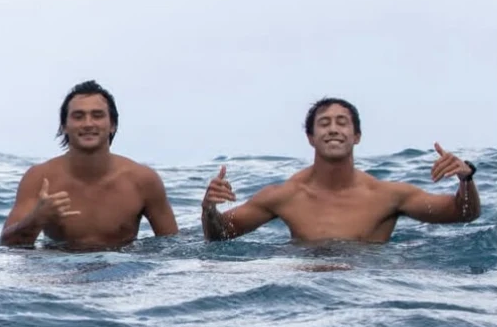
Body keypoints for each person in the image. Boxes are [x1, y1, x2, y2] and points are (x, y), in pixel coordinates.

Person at [201, 97, 481, 243]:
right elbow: (221, 234)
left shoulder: (388, 196)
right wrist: (210, 210)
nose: (333, 129)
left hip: (372, 289)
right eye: (324, 123)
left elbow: (463, 213)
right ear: (310, 137)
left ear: (356, 136)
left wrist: (466, 178)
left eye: (341, 122)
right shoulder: (284, 196)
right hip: (303, 294)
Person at [0, 79, 178, 250]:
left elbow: (173, 246)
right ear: (64, 126)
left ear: (113, 125)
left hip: (122, 272)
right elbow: (7, 247)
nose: (88, 123)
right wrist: (36, 219)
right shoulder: (39, 178)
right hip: (61, 272)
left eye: (97, 115)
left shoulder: (143, 180)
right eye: (78, 116)